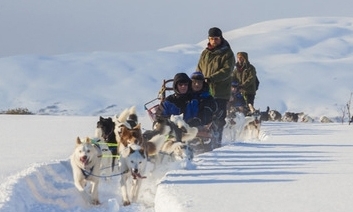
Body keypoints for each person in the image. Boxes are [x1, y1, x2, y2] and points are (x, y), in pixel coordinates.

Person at [196, 27, 235, 145]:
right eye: (212, 39)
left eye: (216, 39)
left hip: (220, 92)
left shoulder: (227, 53)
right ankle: (201, 141)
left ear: (221, 38)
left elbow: (227, 71)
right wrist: (197, 80)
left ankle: (217, 142)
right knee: (202, 117)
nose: (214, 41)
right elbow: (199, 68)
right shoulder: (205, 53)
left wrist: (211, 78)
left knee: (218, 119)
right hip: (205, 91)